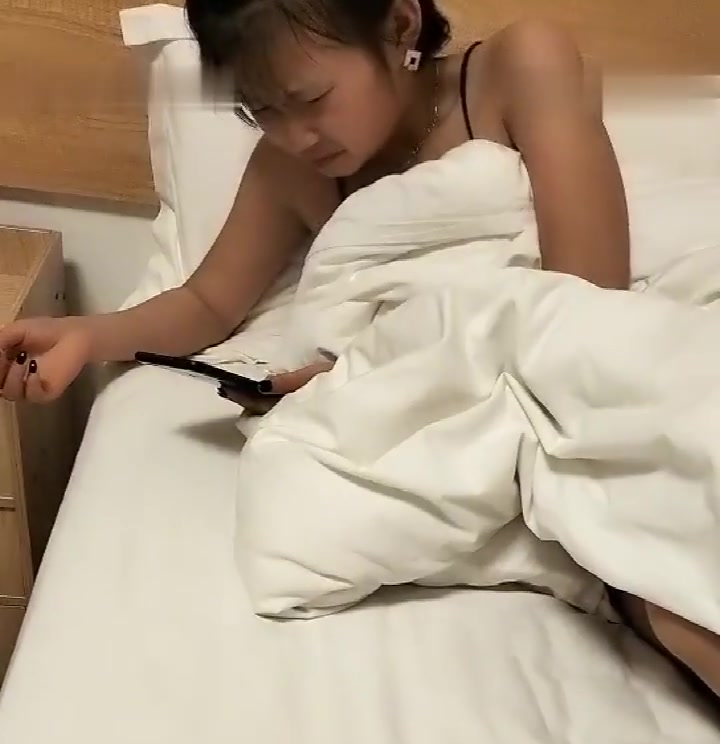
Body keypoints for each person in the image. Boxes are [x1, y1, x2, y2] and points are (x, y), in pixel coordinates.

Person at [0, 0, 717, 697]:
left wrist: (397, 369)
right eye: (260, 111)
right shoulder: (288, 171)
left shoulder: (522, 69)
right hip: (447, 408)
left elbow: (583, 300)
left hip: (547, 360)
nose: (295, 135)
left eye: (310, 98)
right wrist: (86, 336)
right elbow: (208, 303)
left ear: (401, 25)